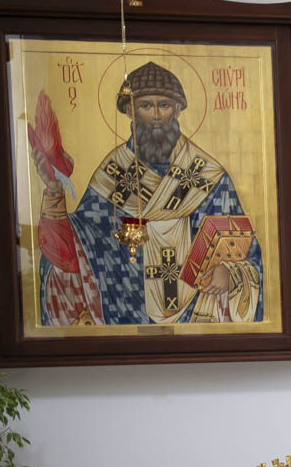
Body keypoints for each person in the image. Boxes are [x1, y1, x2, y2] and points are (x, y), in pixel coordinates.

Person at [31, 61, 263, 326]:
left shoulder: (209, 176)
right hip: (126, 310)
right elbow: (77, 246)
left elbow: (245, 250)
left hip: (197, 311)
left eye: (164, 105)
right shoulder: (113, 174)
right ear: (130, 110)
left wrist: (229, 273)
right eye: (145, 106)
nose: (156, 115)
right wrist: (54, 190)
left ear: (177, 110)